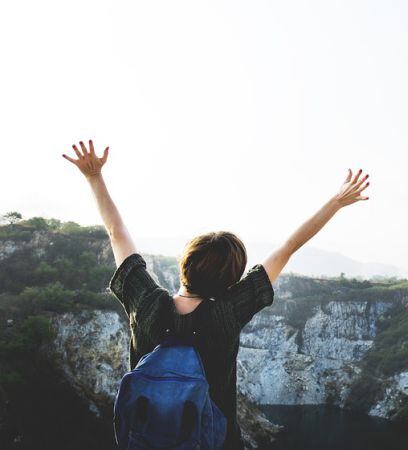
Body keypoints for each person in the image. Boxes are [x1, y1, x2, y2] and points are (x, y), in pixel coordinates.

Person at [62, 140, 371, 449]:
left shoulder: (147, 304)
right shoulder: (227, 312)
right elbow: (289, 247)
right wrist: (336, 201)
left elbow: (117, 233)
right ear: (231, 280)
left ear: (185, 263)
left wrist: (94, 177)